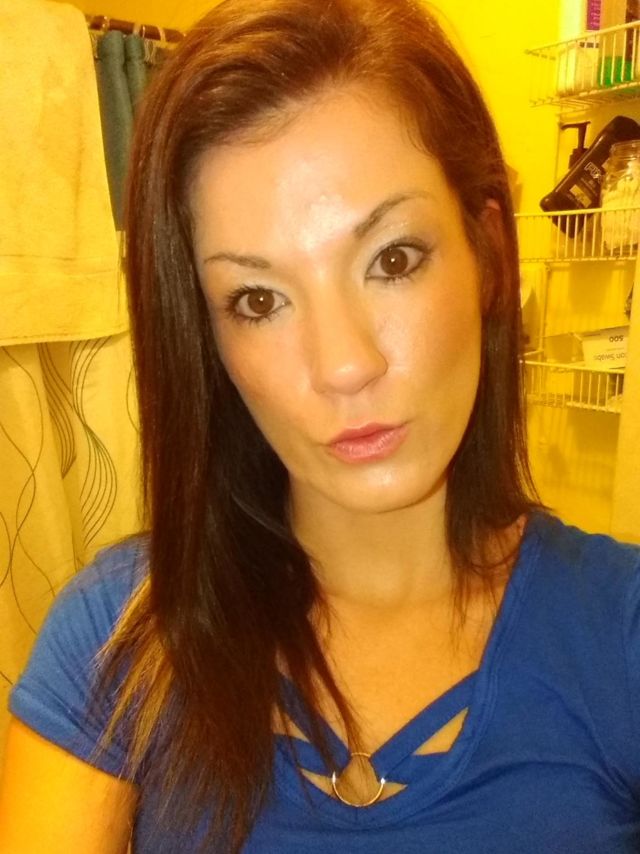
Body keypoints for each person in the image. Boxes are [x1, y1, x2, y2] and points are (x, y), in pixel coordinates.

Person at [1, 0, 639, 851]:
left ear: (487, 252)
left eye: (393, 259)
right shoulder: (115, 636)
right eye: (258, 300)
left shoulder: (618, 632)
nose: (343, 365)